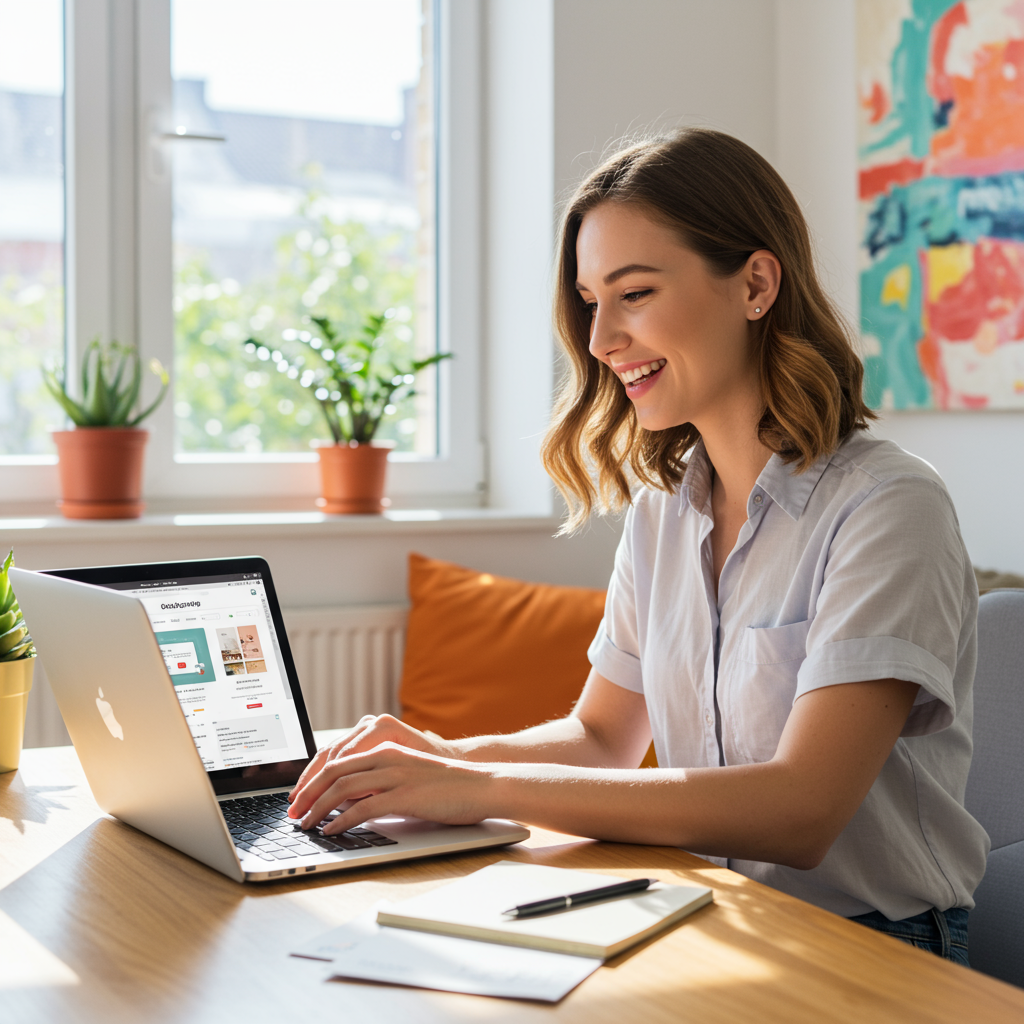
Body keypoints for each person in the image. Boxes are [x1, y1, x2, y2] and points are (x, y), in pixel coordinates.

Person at [288, 128, 989, 965]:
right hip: (710, 915)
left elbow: (802, 810)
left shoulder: (886, 506)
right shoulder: (666, 507)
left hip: (878, 952)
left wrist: (476, 786)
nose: (599, 340)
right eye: (590, 301)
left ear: (756, 284)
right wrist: (431, 758)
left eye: (635, 293)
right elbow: (601, 737)